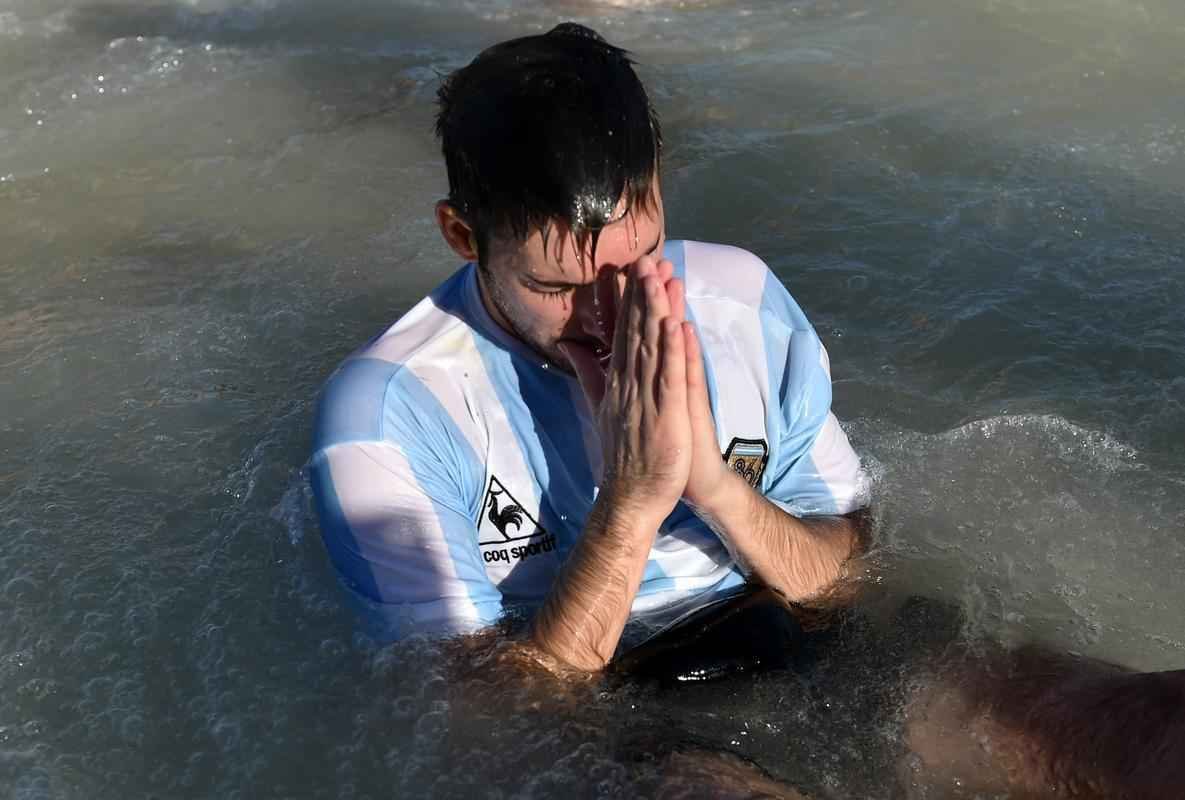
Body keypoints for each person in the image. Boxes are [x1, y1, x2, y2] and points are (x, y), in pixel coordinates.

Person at [308, 22, 869, 672]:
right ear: (462, 236)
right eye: (555, 286)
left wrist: (712, 486)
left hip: (788, 633)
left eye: (643, 258)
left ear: (660, 186)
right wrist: (633, 495)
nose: (611, 315)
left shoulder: (740, 303)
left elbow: (853, 580)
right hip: (620, 719)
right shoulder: (388, 417)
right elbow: (480, 730)